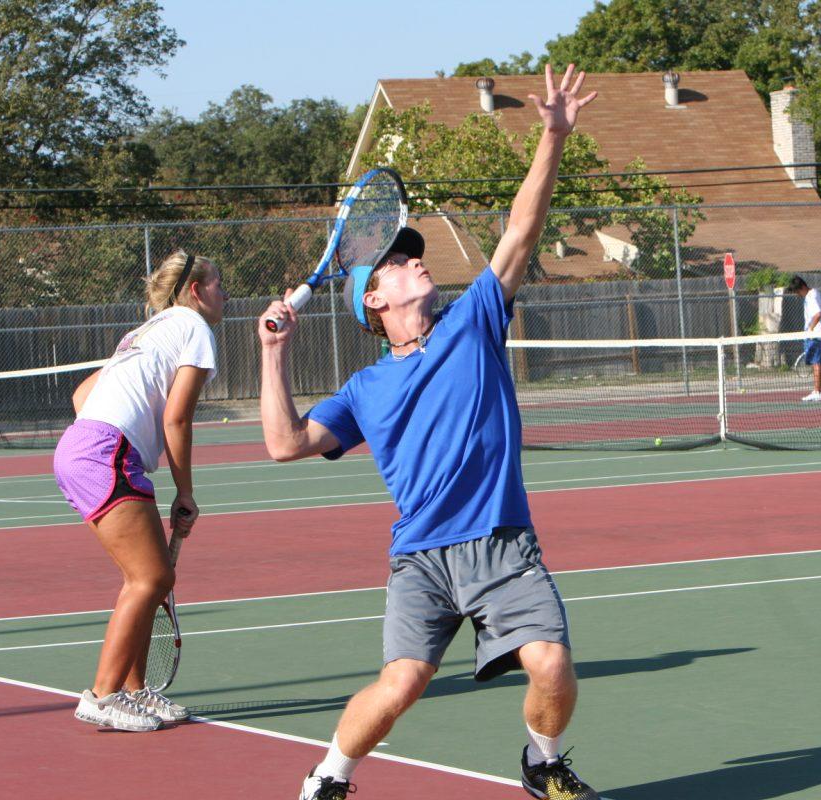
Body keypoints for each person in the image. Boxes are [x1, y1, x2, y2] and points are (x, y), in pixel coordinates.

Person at [259, 64, 600, 800]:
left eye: (413, 254)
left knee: (552, 666)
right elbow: (283, 442)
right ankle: (327, 779)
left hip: (502, 543)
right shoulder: (364, 389)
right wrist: (272, 354)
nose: (415, 259)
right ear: (373, 299)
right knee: (401, 684)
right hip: (422, 561)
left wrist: (553, 136)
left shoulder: (474, 322)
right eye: (397, 261)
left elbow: (521, 228)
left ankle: (544, 762)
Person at [54, 250, 225, 731]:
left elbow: (81, 395)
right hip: (105, 452)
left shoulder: (144, 333)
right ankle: (102, 695)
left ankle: (134, 691)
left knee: (151, 578)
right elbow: (177, 416)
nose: (225, 294)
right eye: (217, 285)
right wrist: (185, 492)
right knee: (149, 579)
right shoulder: (194, 328)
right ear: (195, 290)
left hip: (88, 448)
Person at [787, 275, 821, 401]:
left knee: (817, 363)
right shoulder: (815, 293)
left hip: (816, 335)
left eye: (798, 292)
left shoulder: (810, 297)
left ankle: (817, 391)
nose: (798, 295)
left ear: (803, 287)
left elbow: (818, 314)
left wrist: (810, 330)